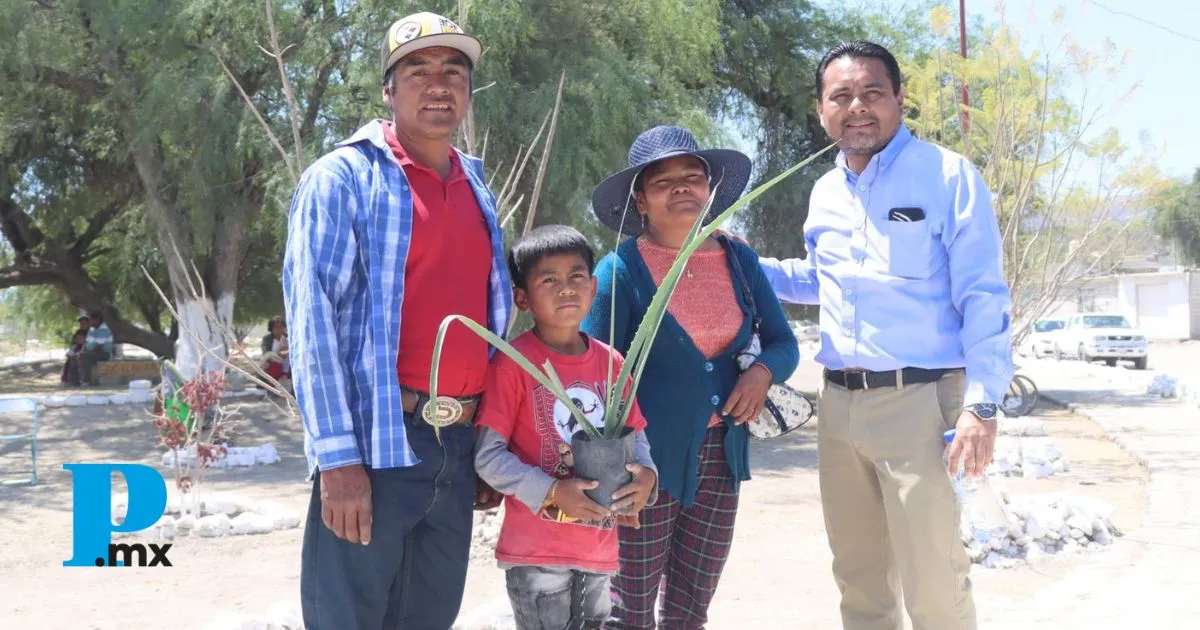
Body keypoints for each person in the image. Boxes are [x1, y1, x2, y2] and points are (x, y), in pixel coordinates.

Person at [758, 41, 1013, 630]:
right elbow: (819, 282)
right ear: (821, 109)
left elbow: (983, 296)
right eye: (841, 96)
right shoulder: (825, 192)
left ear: (900, 99)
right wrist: (741, 265)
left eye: (872, 93)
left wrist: (982, 404)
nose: (858, 108)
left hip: (923, 407)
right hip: (840, 407)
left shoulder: (948, 176)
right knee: (859, 582)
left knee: (933, 583)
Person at [281, 11, 513, 630]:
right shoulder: (341, 179)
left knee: (428, 617)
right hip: (376, 445)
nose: (438, 85)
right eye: (418, 69)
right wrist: (337, 461)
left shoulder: (477, 187)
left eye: (454, 71)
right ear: (388, 88)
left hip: (457, 445)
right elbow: (312, 327)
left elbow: (490, 324)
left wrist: (487, 445)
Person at [581, 125, 799, 629]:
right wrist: (611, 464)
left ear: (710, 190)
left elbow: (784, 343)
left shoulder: (739, 260)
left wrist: (763, 372)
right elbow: (593, 373)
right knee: (628, 611)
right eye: (663, 181)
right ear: (640, 198)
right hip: (642, 466)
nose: (682, 188)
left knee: (690, 609)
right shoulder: (621, 270)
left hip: (722, 458)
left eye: (693, 177)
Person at [474, 225, 660, 630]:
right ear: (522, 298)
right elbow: (488, 458)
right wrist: (553, 492)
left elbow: (636, 439)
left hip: (599, 548)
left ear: (593, 288)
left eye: (576, 277)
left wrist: (648, 478)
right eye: (548, 280)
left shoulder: (614, 364)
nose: (566, 289)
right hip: (536, 553)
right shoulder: (511, 364)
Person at [78, 310, 113, 386]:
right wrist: (81, 352)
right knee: (76, 357)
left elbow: (99, 346)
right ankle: (74, 381)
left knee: (86, 357)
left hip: (103, 353)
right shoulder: (92, 329)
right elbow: (86, 342)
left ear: (97, 320)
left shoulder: (104, 329)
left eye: (91, 320)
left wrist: (87, 353)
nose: (89, 322)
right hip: (93, 352)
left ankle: (86, 381)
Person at [259, 315, 290, 382]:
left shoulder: (289, 338)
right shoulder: (267, 339)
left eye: (281, 327)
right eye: (276, 327)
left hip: (286, 369)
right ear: (271, 329)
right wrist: (278, 355)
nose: (279, 329)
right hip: (272, 367)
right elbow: (266, 353)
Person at [61, 316, 91, 385]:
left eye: (83, 324)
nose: (81, 326)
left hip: (86, 351)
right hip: (77, 350)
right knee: (70, 360)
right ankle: (68, 380)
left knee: (79, 358)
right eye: (80, 324)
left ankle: (82, 380)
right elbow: (74, 343)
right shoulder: (78, 332)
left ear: (88, 324)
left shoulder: (91, 333)